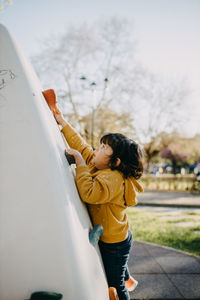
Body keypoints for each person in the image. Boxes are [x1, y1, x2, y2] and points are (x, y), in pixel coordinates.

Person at [53, 108, 144, 300]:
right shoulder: (100, 164)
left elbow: (89, 194)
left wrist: (79, 161)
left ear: (116, 162)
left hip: (114, 243)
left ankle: (125, 283)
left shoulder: (113, 179)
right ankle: (127, 277)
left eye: (104, 148)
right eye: (101, 145)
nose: (97, 148)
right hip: (119, 234)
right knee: (119, 266)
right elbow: (83, 147)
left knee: (114, 282)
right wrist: (62, 122)